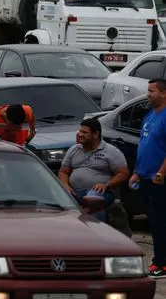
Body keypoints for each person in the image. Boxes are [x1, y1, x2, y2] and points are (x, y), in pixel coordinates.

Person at [58, 118, 129, 220]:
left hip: (101, 193)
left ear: (96, 134)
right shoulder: (73, 149)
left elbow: (123, 173)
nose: (80, 134)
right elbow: (63, 172)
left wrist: (106, 185)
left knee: (93, 199)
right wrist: (66, 187)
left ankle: (97, 230)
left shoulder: (111, 151)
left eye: (85, 132)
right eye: (80, 131)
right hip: (74, 192)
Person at [130, 78, 166, 278]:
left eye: (152, 91)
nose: (148, 94)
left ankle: (162, 263)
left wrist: (161, 173)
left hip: (158, 179)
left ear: (164, 93)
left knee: (160, 222)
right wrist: (136, 172)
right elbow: (144, 145)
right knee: (153, 221)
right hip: (144, 177)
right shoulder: (150, 115)